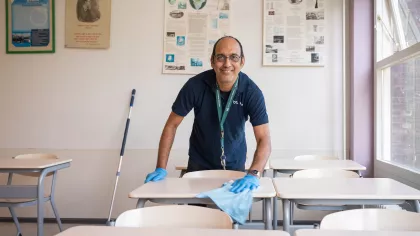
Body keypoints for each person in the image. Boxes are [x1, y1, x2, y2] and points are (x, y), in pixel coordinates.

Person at [144, 36, 271, 193]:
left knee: (228, 217)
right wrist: (161, 168)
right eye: (220, 57)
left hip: (234, 169)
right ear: (212, 61)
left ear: (242, 62)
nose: (227, 64)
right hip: (199, 167)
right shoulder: (195, 86)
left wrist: (253, 173)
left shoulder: (252, 92)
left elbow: (263, 137)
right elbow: (172, 125)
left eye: (234, 57)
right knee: (197, 216)